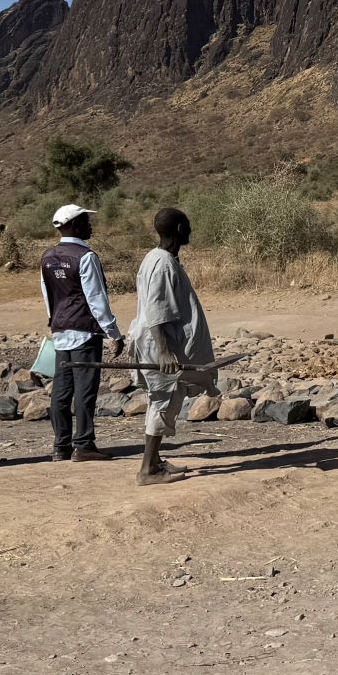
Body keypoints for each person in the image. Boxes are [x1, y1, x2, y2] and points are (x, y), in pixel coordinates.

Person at [129, 208, 216, 486]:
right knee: (162, 402)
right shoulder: (163, 263)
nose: (190, 230)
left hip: (162, 343)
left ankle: (154, 463)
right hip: (161, 346)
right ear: (179, 229)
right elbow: (156, 310)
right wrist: (165, 351)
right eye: (187, 226)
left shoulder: (158, 258)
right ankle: (147, 470)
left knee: (163, 401)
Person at [39, 204, 124, 462]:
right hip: (85, 332)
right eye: (86, 221)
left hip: (61, 330)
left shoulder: (47, 256)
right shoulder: (86, 256)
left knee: (62, 391)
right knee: (85, 390)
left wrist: (55, 320)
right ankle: (84, 444)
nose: (90, 226)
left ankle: (60, 446)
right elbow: (96, 299)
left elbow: (47, 296)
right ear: (75, 225)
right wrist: (114, 333)